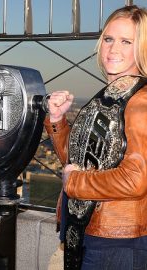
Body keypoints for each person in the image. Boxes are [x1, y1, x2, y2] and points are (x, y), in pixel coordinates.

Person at [44, 5, 147, 270]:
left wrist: (76, 183)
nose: (114, 49)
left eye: (127, 41)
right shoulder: (113, 95)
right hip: (90, 233)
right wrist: (57, 120)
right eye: (109, 39)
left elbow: (135, 179)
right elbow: (78, 160)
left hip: (117, 241)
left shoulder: (140, 102)